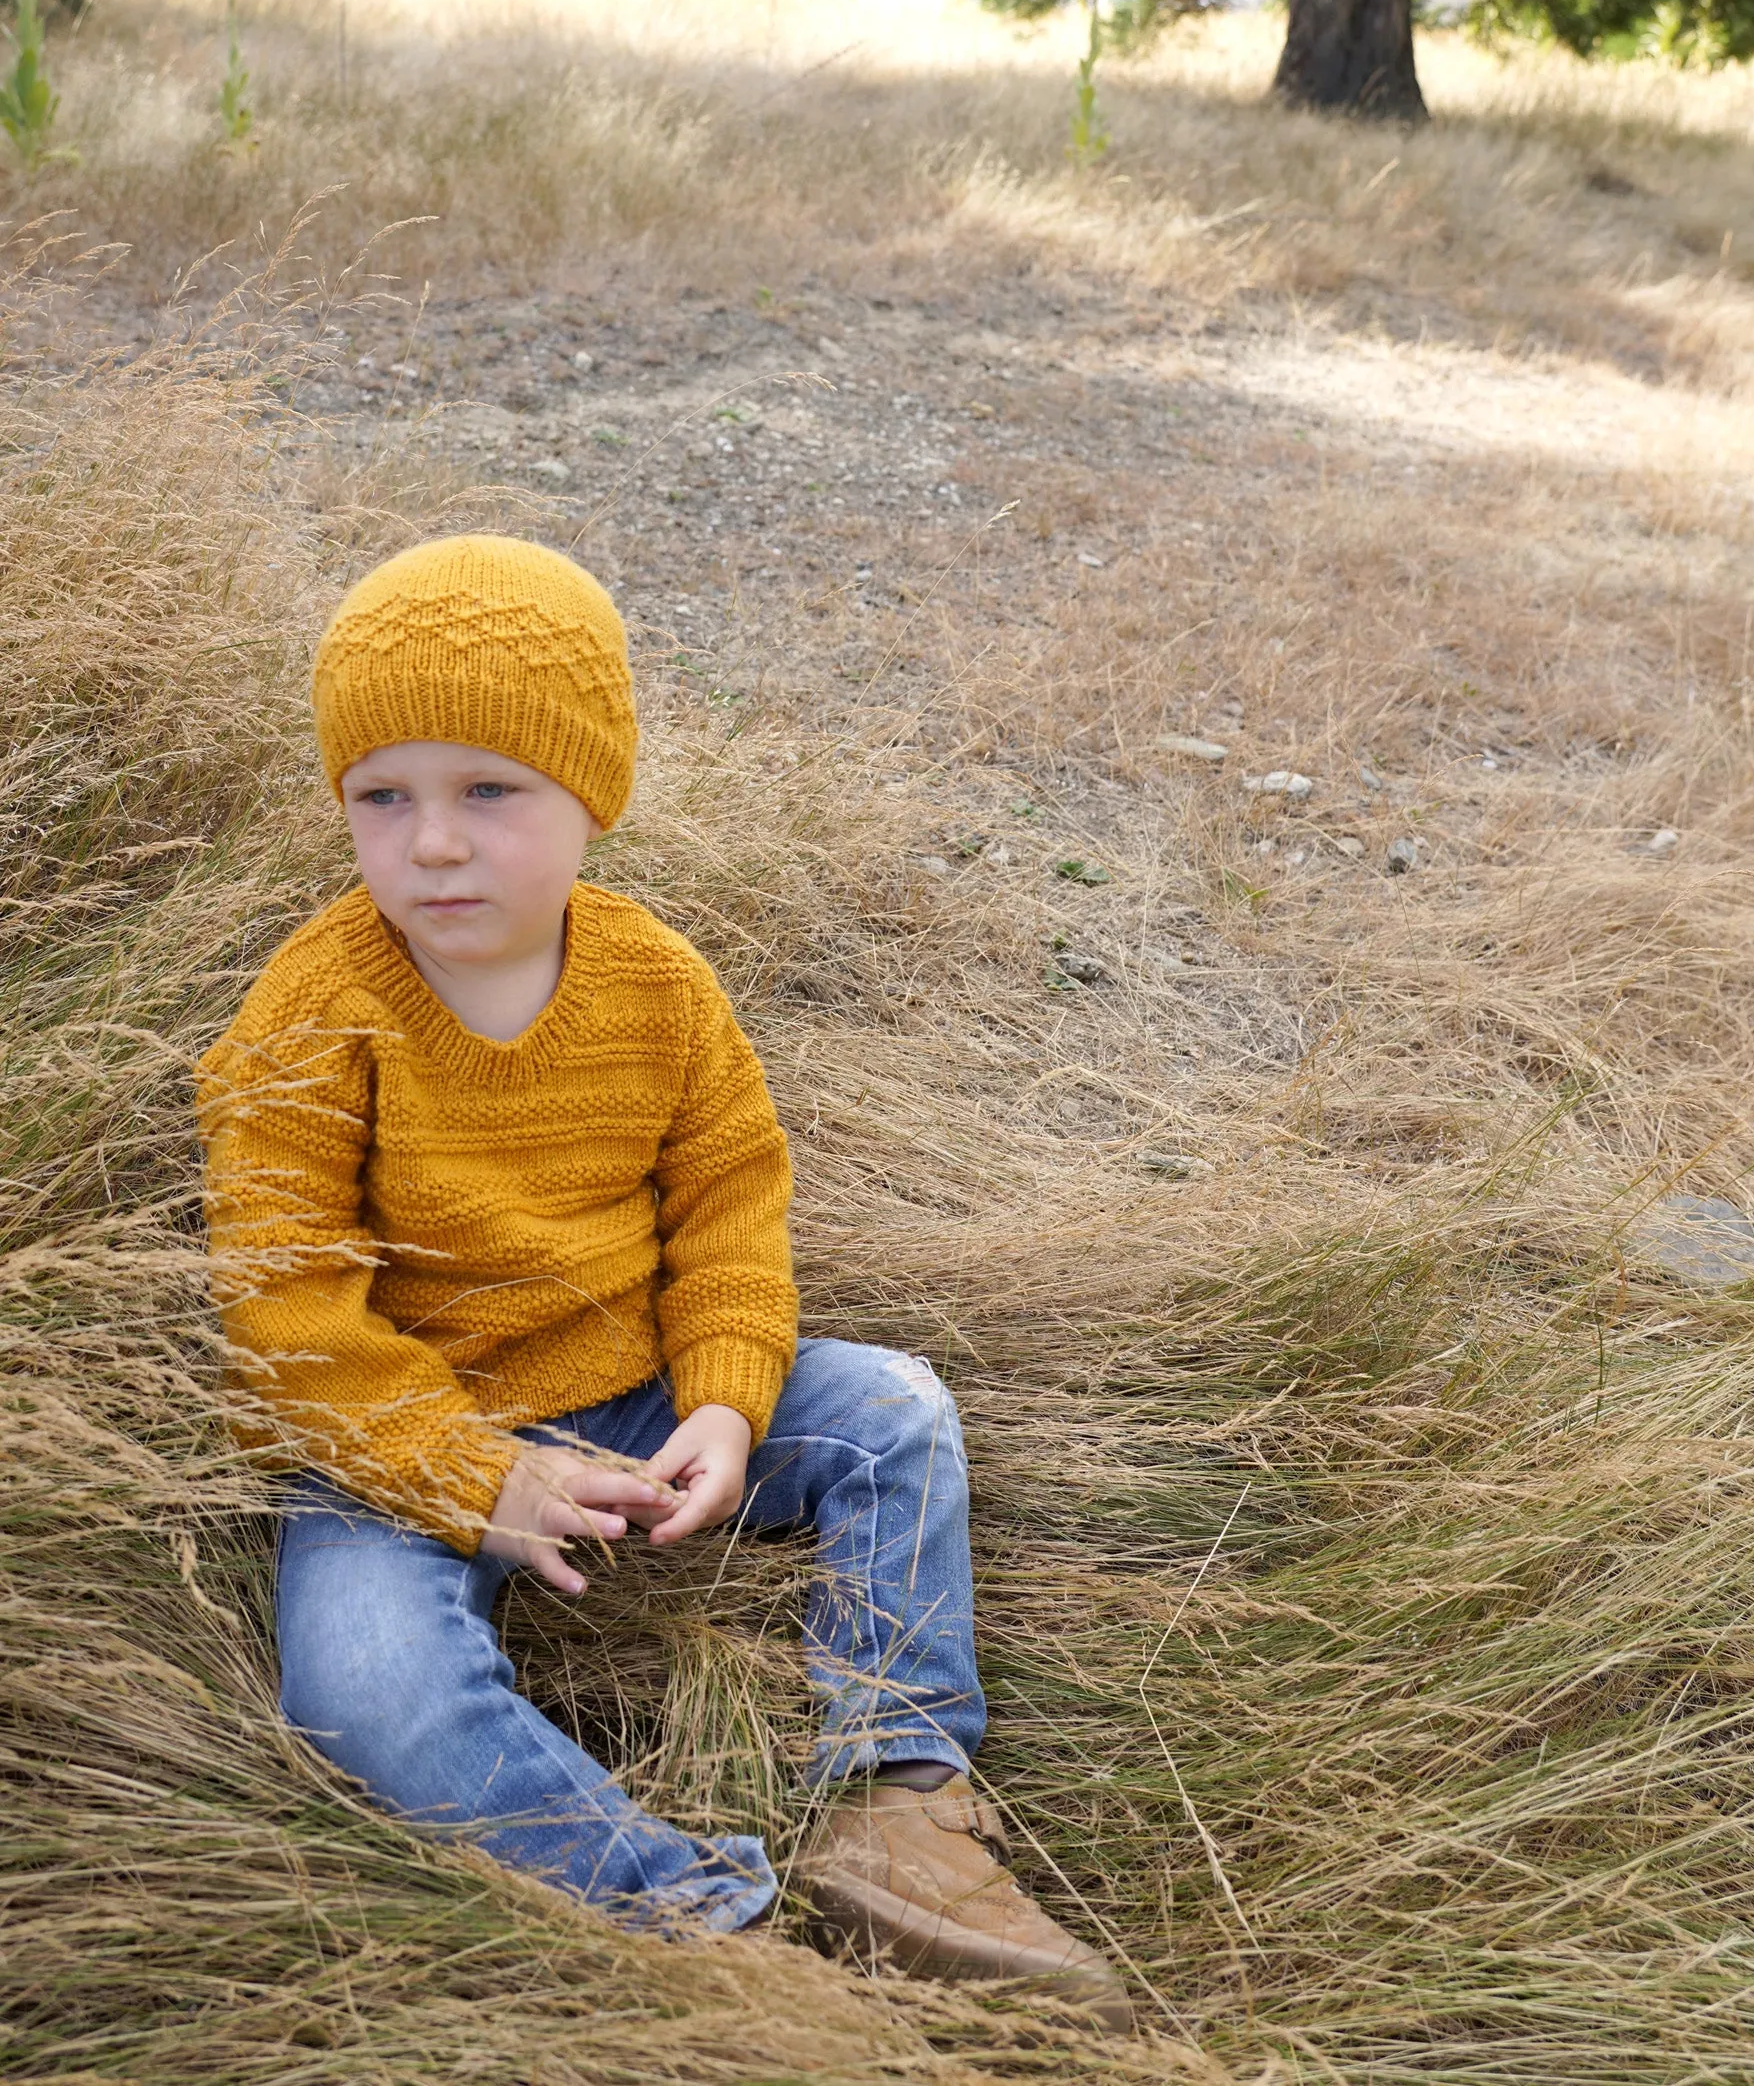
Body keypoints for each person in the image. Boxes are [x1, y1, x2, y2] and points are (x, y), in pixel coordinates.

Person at [198, 533, 1126, 2027]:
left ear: (592, 796)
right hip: (401, 1441)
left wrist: (728, 1402)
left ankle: (902, 1796)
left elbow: (730, 1205)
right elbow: (285, 1308)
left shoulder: (657, 985)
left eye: (487, 790)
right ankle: (685, 1903)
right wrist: (460, 1470)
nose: (432, 843)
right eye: (385, 797)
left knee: (894, 1410)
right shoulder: (312, 1013)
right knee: (359, 1685)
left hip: (630, 1399)